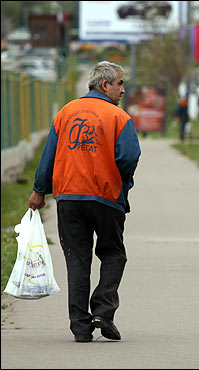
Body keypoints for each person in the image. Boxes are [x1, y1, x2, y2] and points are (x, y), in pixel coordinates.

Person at [28, 61, 141, 343]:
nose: (123, 89)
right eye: (120, 84)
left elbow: (49, 155)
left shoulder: (66, 112)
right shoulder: (119, 117)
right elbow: (129, 156)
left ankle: (80, 326)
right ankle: (103, 310)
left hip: (68, 197)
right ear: (106, 85)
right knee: (113, 253)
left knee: (77, 259)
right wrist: (122, 181)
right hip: (105, 197)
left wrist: (39, 190)